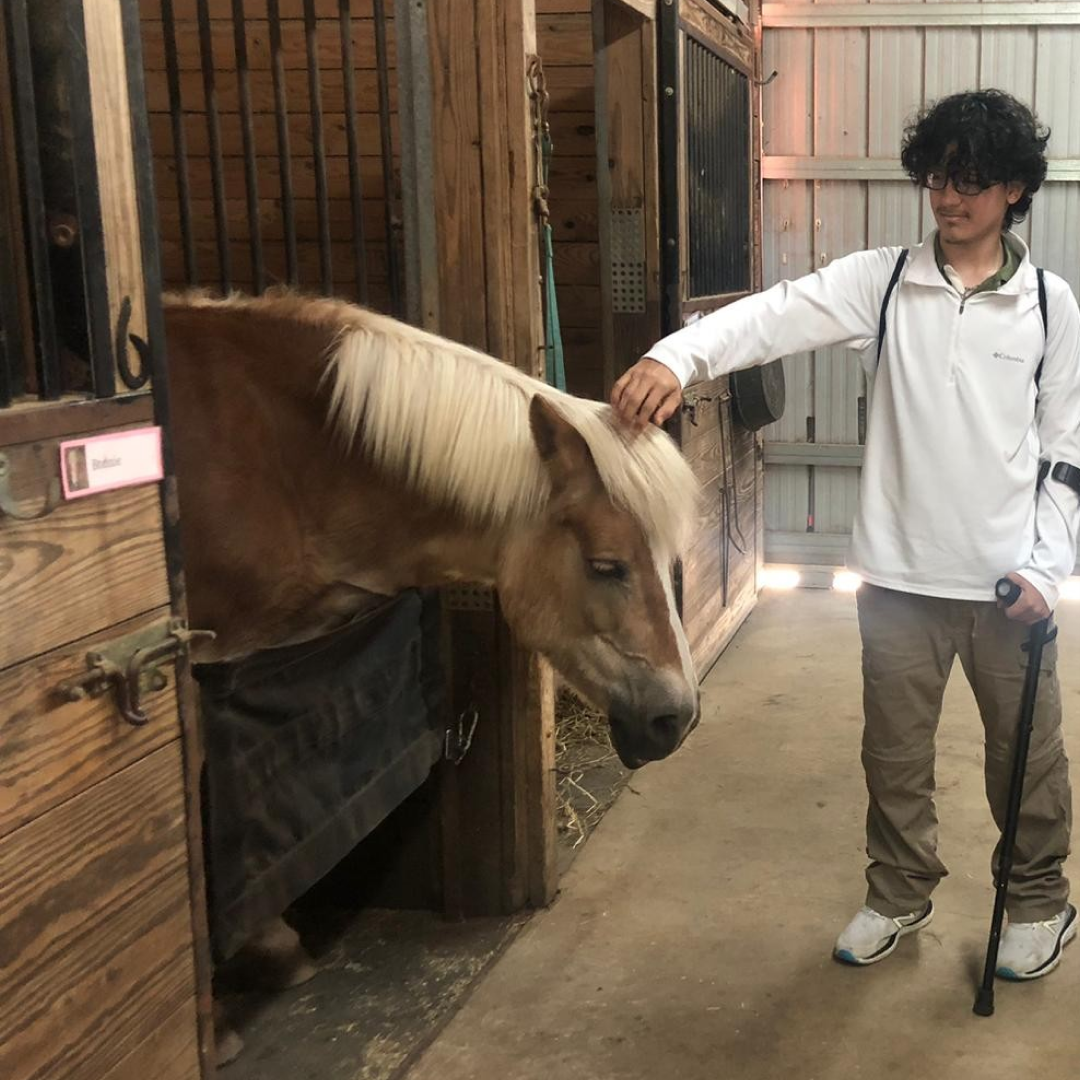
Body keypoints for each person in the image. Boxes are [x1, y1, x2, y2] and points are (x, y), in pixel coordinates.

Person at [612, 90, 1080, 979]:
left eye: (972, 182)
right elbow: (774, 313)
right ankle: (898, 893)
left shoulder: (1052, 309)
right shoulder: (886, 281)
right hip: (899, 579)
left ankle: (1037, 903)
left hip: (1006, 589)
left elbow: (1067, 454)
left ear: (1016, 188)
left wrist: (1045, 568)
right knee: (893, 756)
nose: (950, 199)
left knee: (1027, 758)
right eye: (939, 177)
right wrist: (676, 356)